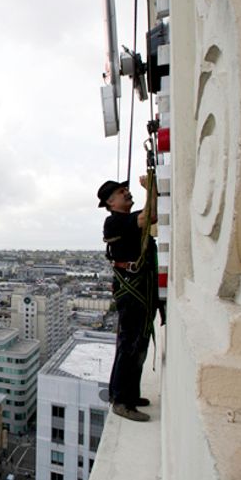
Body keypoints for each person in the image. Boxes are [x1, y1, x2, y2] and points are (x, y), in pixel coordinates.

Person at [97, 177, 159, 422]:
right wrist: (151, 188)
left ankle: (129, 395)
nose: (128, 193)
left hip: (139, 289)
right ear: (110, 202)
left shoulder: (127, 221)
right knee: (131, 344)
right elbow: (148, 217)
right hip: (132, 290)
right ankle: (122, 400)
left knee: (138, 343)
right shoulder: (114, 222)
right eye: (122, 192)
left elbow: (149, 218)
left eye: (126, 190)